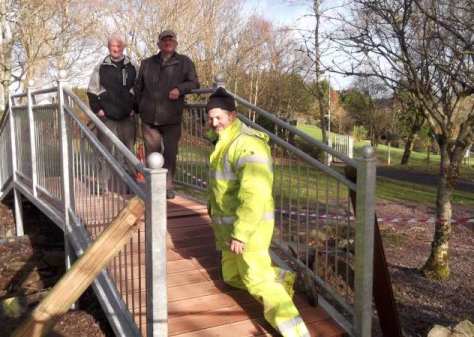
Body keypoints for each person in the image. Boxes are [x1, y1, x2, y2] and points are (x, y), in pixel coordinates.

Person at [205, 87, 312, 337]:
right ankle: (286, 278)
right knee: (231, 276)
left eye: (219, 117)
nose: (214, 122)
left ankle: (296, 332)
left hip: (248, 228)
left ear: (233, 115)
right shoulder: (224, 140)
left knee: (257, 280)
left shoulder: (247, 144)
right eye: (210, 117)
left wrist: (241, 234)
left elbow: (255, 196)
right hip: (228, 229)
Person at [135, 29, 199, 199]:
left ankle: (168, 186)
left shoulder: (184, 62)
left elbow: (194, 82)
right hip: (149, 118)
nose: (167, 43)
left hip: (172, 117)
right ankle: (153, 187)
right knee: (152, 154)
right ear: (158, 44)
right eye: (164, 40)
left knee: (170, 153)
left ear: (176, 43)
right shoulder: (147, 63)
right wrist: (139, 107)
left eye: (171, 40)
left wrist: (180, 89)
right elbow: (138, 88)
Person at [87, 32, 138, 193]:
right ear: (108, 47)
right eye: (112, 46)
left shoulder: (133, 67)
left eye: (118, 46)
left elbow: (139, 90)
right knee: (103, 151)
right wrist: (97, 109)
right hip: (106, 116)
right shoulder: (100, 67)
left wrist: (134, 108)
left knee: (129, 152)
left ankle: (131, 186)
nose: (115, 49)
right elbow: (92, 90)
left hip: (127, 116)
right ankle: (101, 186)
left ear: (123, 47)